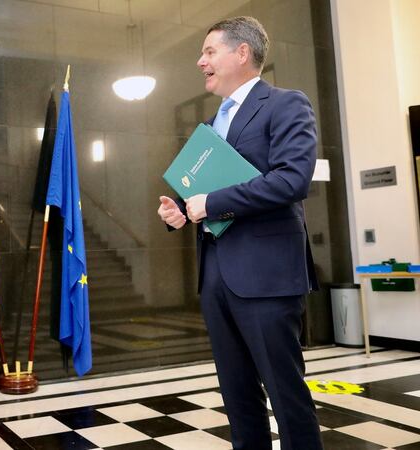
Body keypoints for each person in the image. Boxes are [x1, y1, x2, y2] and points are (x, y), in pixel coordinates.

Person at [157, 17, 323, 450]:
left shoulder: (287, 104)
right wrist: (179, 211)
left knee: (287, 397)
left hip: (267, 277)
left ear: (242, 53)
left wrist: (210, 204)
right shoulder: (212, 125)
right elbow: (198, 194)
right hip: (216, 278)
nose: (200, 61)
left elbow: (292, 180)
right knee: (237, 398)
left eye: (209, 51)